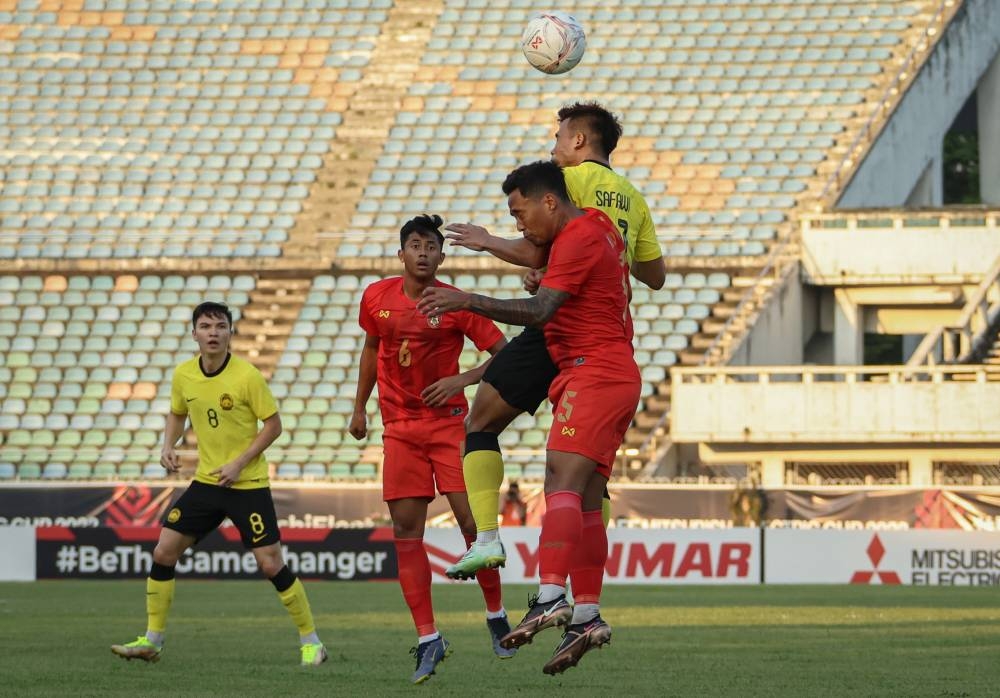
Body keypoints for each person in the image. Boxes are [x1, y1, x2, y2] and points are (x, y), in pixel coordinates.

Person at [418, 161, 641, 675]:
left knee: (558, 479)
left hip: (594, 371)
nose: (519, 225)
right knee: (586, 495)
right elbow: (553, 271)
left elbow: (540, 311)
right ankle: (586, 614)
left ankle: (549, 597)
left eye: (520, 213)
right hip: (612, 372)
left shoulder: (579, 237)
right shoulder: (599, 227)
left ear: (548, 202)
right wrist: (513, 253)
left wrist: (465, 300)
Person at [441, 101, 664, 579]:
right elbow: (655, 274)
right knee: (586, 476)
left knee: (480, 421)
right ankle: (588, 597)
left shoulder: (571, 183)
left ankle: (486, 540)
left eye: (559, 137)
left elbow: (534, 246)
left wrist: (488, 241)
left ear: (579, 141)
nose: (554, 146)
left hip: (563, 329)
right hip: (611, 330)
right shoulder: (632, 197)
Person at [110, 302, 327, 666]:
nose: (213, 332)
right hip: (208, 483)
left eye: (220, 326)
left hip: (248, 485)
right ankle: (152, 641)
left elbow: (273, 425)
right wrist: (168, 444)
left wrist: (240, 463)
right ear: (194, 333)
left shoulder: (247, 376)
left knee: (271, 564)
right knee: (164, 551)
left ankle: (312, 643)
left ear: (230, 333)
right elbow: (177, 412)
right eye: (206, 326)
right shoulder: (184, 375)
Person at [348, 214, 513, 684]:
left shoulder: (456, 302)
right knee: (405, 530)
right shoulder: (376, 298)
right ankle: (427, 638)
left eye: (431, 246)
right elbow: (370, 349)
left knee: (471, 524)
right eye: (414, 244)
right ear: (401, 254)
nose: (422, 252)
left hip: (447, 426)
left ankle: (496, 614)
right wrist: (359, 408)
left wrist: (460, 380)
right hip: (399, 428)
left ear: (441, 256)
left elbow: (504, 352)